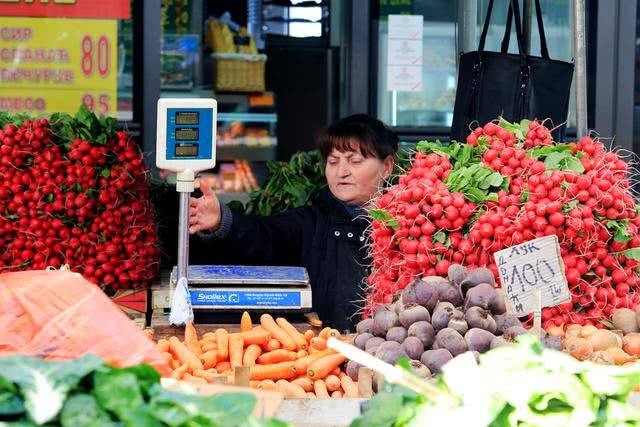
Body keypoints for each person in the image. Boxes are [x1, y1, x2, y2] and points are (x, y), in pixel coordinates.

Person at [189, 114, 398, 331]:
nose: (341, 172)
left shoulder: (412, 227)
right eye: (333, 161)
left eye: (355, 161)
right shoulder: (310, 223)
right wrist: (222, 220)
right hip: (327, 356)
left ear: (387, 167)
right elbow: (264, 235)